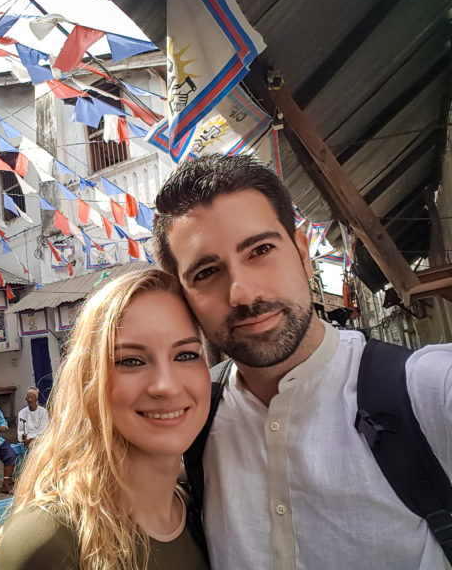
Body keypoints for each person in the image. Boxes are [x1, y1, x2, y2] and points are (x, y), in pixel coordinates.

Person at [152, 154, 452, 569]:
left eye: (260, 250)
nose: (241, 292)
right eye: (206, 272)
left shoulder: (425, 389)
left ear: (302, 252)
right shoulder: (192, 417)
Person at [0, 270, 211, 570]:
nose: (166, 385)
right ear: (90, 381)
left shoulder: (202, 513)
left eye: (185, 355)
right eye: (131, 361)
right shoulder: (49, 540)